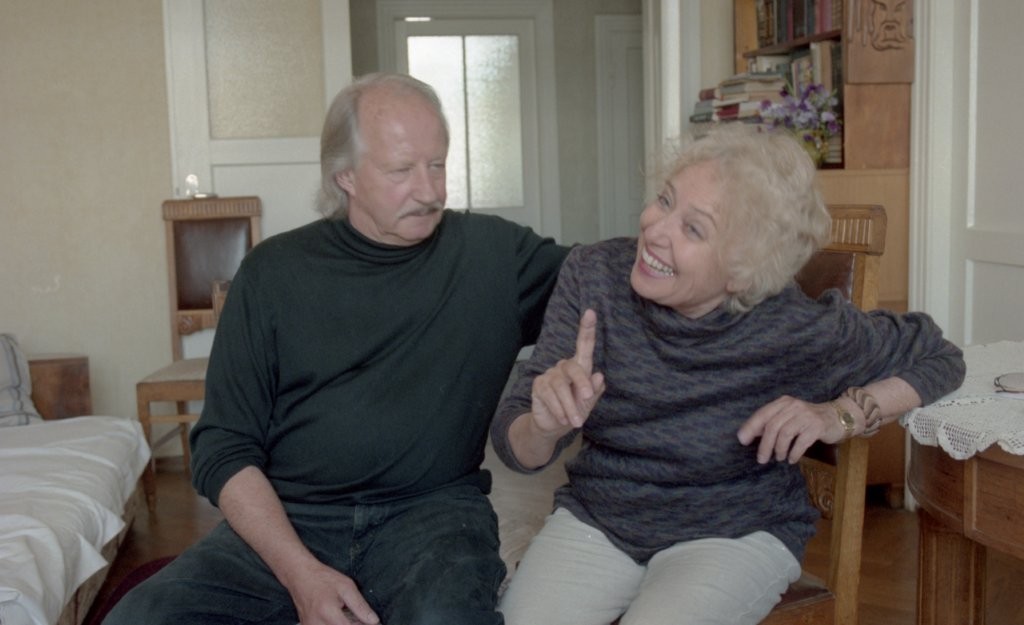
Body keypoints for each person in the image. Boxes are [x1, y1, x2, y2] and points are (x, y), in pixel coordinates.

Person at [104, 73, 568, 625]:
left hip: (433, 514)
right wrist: (301, 574)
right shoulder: (273, 273)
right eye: (401, 170)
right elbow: (223, 446)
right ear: (344, 175)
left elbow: (611, 281)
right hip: (292, 518)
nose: (430, 191)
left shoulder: (495, 256)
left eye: (438, 165)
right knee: (143, 616)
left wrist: (665, 233)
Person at [490, 123, 965, 625]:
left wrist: (840, 415)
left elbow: (940, 357)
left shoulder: (792, 326)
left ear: (743, 270)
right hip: (602, 518)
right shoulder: (593, 276)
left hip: (734, 533)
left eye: (693, 229)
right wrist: (544, 426)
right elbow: (516, 447)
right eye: (664, 200)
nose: (655, 230)